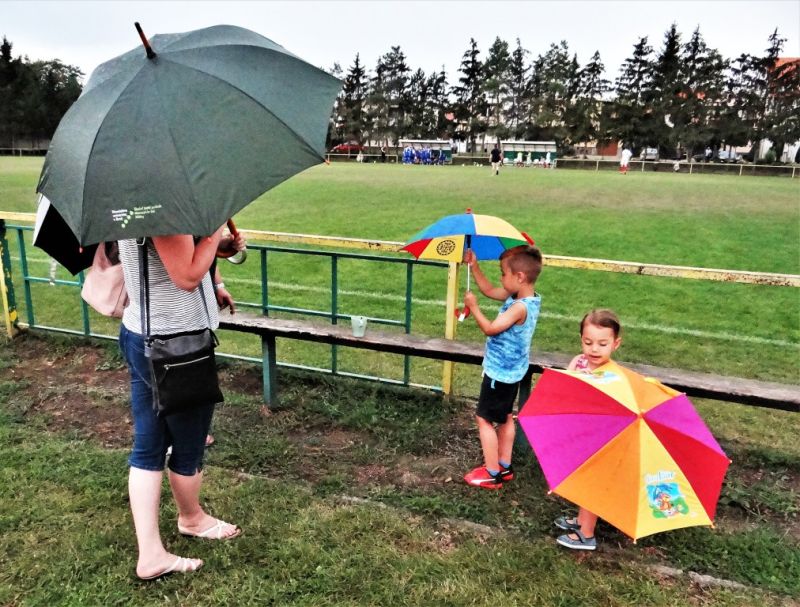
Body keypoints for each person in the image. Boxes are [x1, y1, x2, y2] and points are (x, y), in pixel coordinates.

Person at [118, 226, 245, 580]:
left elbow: (173, 257)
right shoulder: (162, 207)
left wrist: (215, 247)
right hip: (176, 346)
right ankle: (192, 518)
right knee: (188, 446)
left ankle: (151, 554)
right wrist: (215, 230)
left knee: (149, 445)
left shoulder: (132, 196)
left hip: (144, 334)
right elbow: (185, 275)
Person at [462, 245, 543, 489]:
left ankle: (491, 473)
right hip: (513, 371)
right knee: (506, 417)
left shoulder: (519, 307)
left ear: (519, 277)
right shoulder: (524, 297)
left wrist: (473, 307)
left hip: (500, 374)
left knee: (484, 418)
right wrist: (473, 265)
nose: (500, 278)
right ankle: (504, 467)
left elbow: (490, 328)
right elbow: (488, 290)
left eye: (503, 273)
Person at [554, 308, 622, 551]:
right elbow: (567, 386)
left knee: (592, 483)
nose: (594, 349)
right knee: (581, 480)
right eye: (588, 342)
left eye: (602, 344)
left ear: (616, 343)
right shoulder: (579, 361)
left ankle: (587, 533)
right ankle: (581, 519)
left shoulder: (612, 376)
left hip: (599, 439)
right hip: (580, 432)